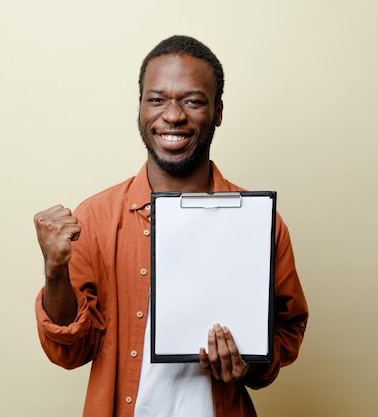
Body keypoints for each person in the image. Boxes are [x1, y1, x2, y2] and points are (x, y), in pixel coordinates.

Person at [33, 35, 308, 417]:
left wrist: (252, 362)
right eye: (157, 99)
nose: (173, 115)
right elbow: (69, 352)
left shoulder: (259, 222)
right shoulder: (95, 217)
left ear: (219, 111)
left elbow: (286, 330)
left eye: (193, 100)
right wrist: (55, 271)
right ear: (141, 107)